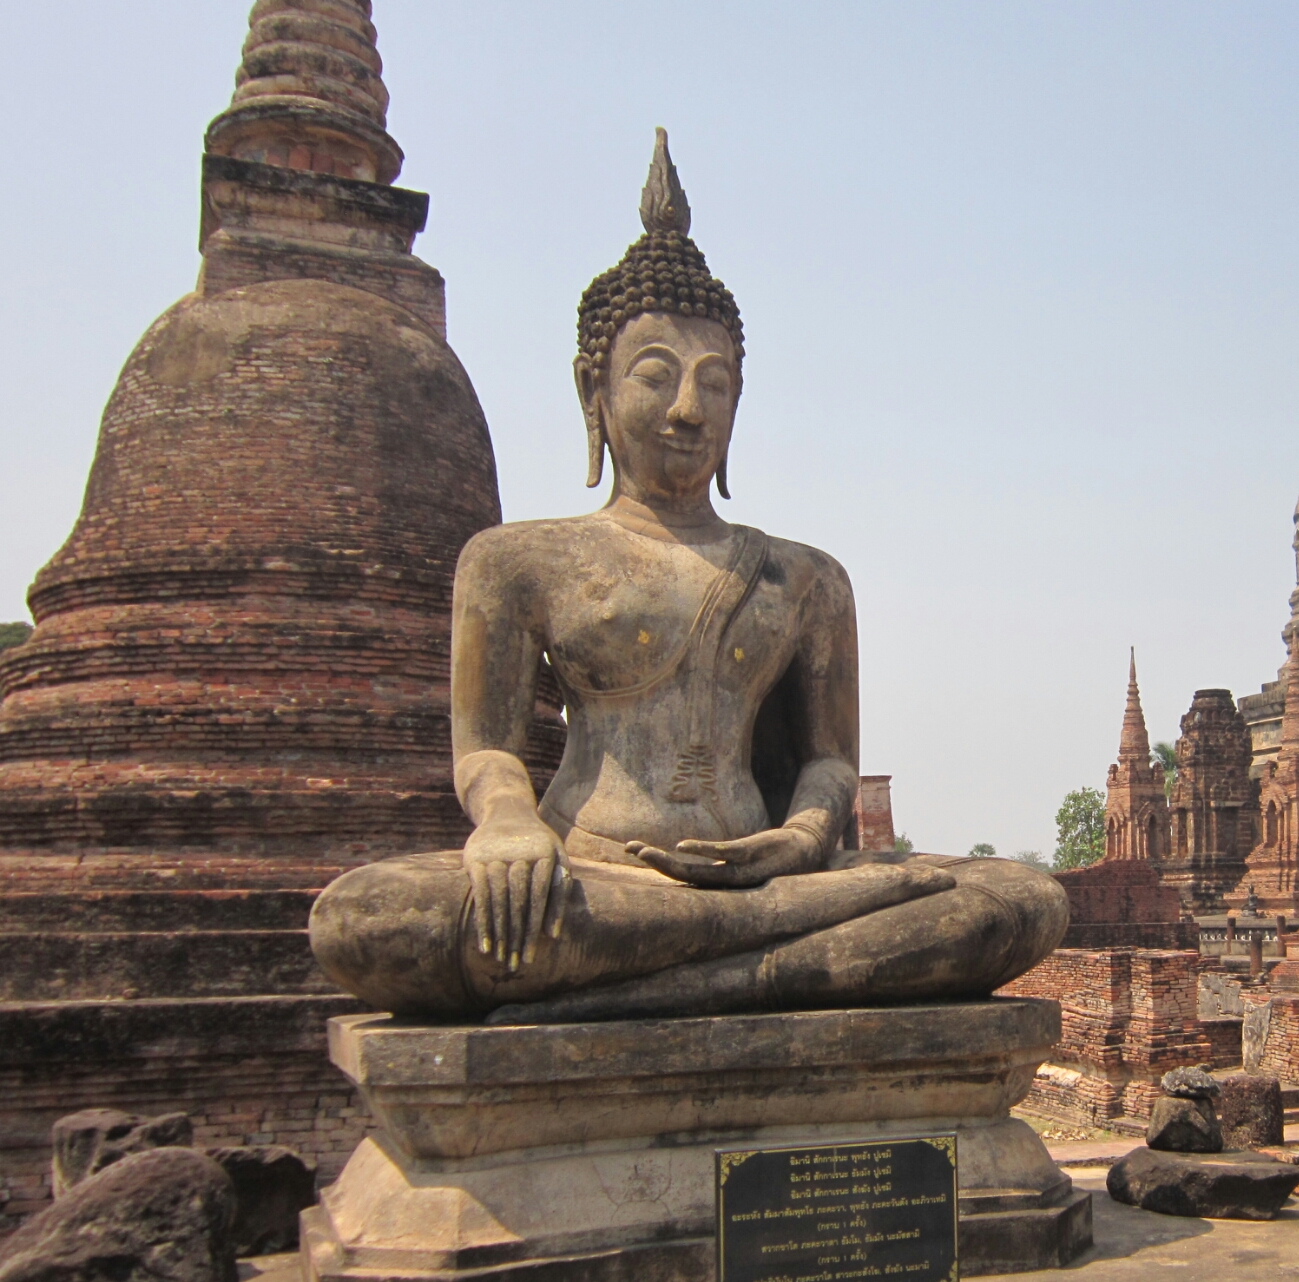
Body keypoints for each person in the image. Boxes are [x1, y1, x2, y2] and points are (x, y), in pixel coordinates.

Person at [308, 131, 1066, 1024]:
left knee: (1018, 902)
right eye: (655, 377)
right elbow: (485, 752)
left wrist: (798, 839)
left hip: (771, 885)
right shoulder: (515, 562)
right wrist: (510, 827)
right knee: (372, 920)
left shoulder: (807, 578)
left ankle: (664, 984)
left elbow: (827, 761)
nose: (685, 409)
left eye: (715, 384)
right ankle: (753, 973)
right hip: (595, 881)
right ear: (593, 390)